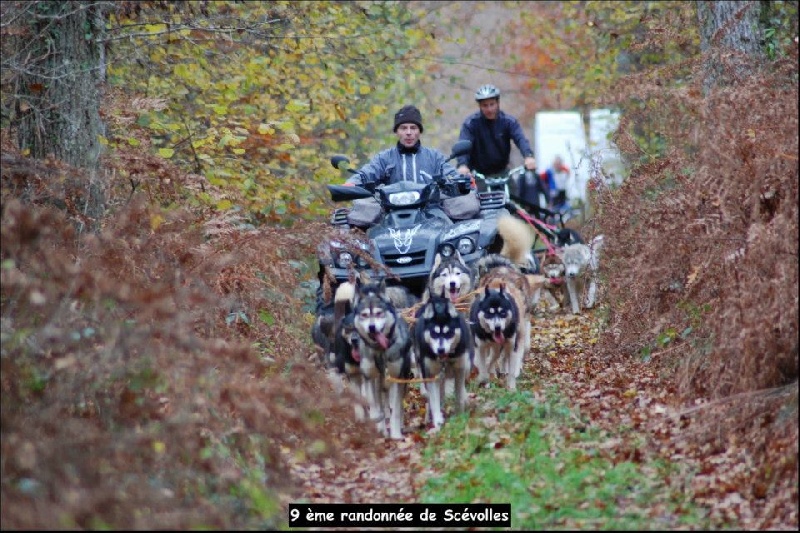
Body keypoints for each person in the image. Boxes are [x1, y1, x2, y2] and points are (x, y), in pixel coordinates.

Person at [345, 104, 458, 188]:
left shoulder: (434, 157)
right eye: (403, 128)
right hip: (392, 213)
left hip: (431, 213)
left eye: (413, 128)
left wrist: (463, 180)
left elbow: (451, 175)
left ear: (419, 131)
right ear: (397, 132)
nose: (408, 132)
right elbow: (367, 173)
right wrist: (352, 183)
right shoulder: (384, 158)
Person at [456, 84, 536, 180]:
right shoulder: (471, 124)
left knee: (514, 194)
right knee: (477, 194)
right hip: (479, 175)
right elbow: (463, 145)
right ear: (480, 106)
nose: (489, 109)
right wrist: (462, 165)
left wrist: (528, 156)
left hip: (503, 173)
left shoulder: (508, 122)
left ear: (498, 103)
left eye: (492, 104)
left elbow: (520, 139)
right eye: (485, 105)